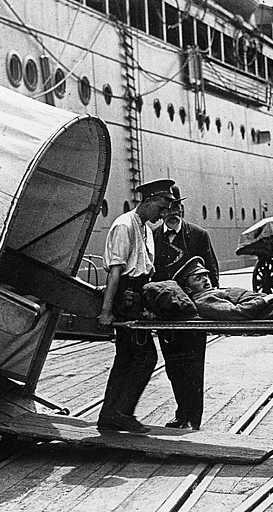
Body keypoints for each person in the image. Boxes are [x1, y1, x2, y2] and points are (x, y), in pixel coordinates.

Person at [96, 179, 178, 433]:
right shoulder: (124, 225)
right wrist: (106, 311)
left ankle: (109, 415)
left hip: (137, 296)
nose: (164, 214)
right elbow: (115, 272)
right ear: (149, 200)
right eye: (162, 207)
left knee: (125, 357)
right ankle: (122, 413)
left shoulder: (144, 228)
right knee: (145, 357)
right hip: (126, 297)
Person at [152, 186, 220, 431]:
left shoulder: (198, 235)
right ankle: (181, 414)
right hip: (166, 314)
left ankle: (193, 418)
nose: (172, 212)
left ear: (181, 208)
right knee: (173, 365)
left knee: (193, 365)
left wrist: (211, 308)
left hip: (193, 314)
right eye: (168, 208)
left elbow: (212, 271)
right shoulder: (153, 236)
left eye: (176, 207)